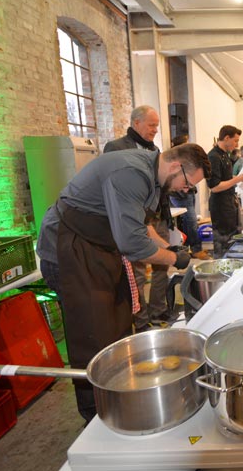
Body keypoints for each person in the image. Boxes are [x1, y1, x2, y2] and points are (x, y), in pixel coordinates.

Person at [36, 143, 210, 422]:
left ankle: (119, 396)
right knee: (91, 332)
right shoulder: (131, 173)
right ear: (176, 167)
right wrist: (174, 260)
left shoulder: (151, 174)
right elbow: (133, 244)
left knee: (115, 324)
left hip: (97, 249)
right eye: (188, 184)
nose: (186, 190)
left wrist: (171, 249)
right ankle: (95, 414)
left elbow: (142, 227)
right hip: (69, 250)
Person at [102, 105, 174, 330]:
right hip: (135, 218)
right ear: (136, 123)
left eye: (156, 126)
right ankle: (141, 322)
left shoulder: (154, 149)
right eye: (151, 125)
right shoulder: (116, 147)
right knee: (138, 273)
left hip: (157, 216)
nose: (154, 130)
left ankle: (158, 312)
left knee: (164, 265)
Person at [208, 125, 243, 256]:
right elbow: (215, 186)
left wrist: (240, 178)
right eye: (235, 140)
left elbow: (225, 178)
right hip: (220, 206)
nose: (237, 144)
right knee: (223, 243)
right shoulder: (213, 156)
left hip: (229, 202)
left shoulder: (225, 155)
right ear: (226, 138)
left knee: (234, 239)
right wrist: (237, 179)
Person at [168, 135, 212, 261]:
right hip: (180, 196)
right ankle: (195, 249)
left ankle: (192, 248)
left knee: (191, 221)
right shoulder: (175, 168)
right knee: (190, 220)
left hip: (188, 195)